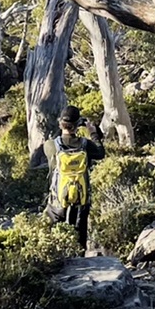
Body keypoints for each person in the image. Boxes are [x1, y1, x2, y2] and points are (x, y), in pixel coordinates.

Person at [49, 105, 104, 251]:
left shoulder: (52, 146)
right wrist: (93, 133)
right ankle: (80, 255)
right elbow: (101, 153)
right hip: (82, 196)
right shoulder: (86, 145)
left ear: (60, 124)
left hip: (59, 197)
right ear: (78, 124)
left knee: (56, 229)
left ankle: (59, 255)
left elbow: (54, 143)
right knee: (81, 228)